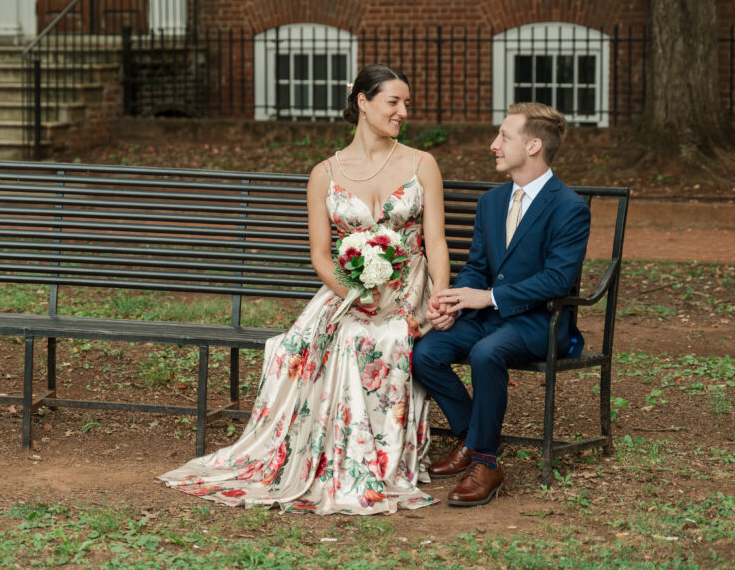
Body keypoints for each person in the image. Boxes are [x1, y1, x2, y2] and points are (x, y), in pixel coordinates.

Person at [157, 64, 450, 515]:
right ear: (363, 102)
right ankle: (335, 457)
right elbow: (320, 255)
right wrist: (354, 291)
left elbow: (437, 242)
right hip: (350, 287)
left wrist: (440, 297)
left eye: (406, 103)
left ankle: (370, 462)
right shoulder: (324, 174)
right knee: (313, 340)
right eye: (393, 102)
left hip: (408, 286)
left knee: (375, 338)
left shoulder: (421, 163)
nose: (403, 112)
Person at [413, 102, 590, 507]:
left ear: (533, 146)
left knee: (486, 353)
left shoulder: (569, 207)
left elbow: (557, 279)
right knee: (425, 353)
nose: (494, 145)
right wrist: (455, 302)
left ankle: (485, 463)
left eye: (504, 137)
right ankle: (472, 437)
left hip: (538, 322)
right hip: (487, 317)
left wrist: (490, 297)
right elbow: (477, 267)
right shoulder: (491, 202)